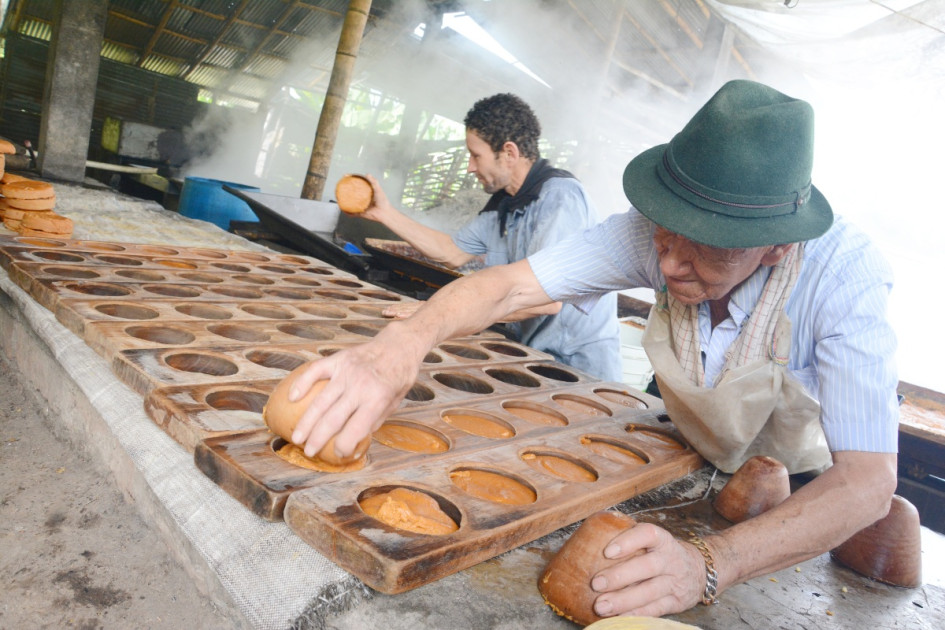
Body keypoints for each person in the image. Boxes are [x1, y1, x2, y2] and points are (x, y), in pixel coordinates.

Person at [287, 80, 899, 618]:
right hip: (678, 462)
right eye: (665, 231)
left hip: (786, 500)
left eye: (708, 249)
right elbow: (506, 288)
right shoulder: (647, 232)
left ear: (775, 248)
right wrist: (403, 342)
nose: (668, 262)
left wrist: (710, 563)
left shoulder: (842, 277)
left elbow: (867, 483)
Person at [353, 92, 621, 381]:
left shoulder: (560, 199)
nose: (470, 166)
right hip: (533, 357)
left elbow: (547, 299)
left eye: (476, 155)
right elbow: (451, 251)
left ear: (509, 153)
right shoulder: (503, 205)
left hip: (578, 368)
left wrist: (441, 313)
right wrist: (384, 213)